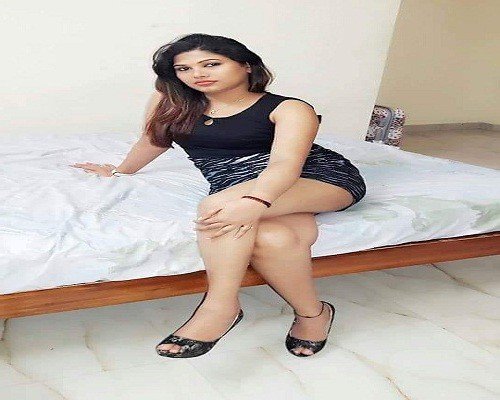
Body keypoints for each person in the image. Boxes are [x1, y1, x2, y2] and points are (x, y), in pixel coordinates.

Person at [71, 33, 366, 358]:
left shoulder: (290, 108)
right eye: (184, 68)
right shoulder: (170, 102)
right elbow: (153, 141)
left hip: (318, 178)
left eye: (211, 64)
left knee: (215, 207)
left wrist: (255, 202)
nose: (197, 74)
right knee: (274, 239)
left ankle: (220, 307)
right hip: (236, 183)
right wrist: (120, 170)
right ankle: (314, 314)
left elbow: (284, 165)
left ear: (246, 66)